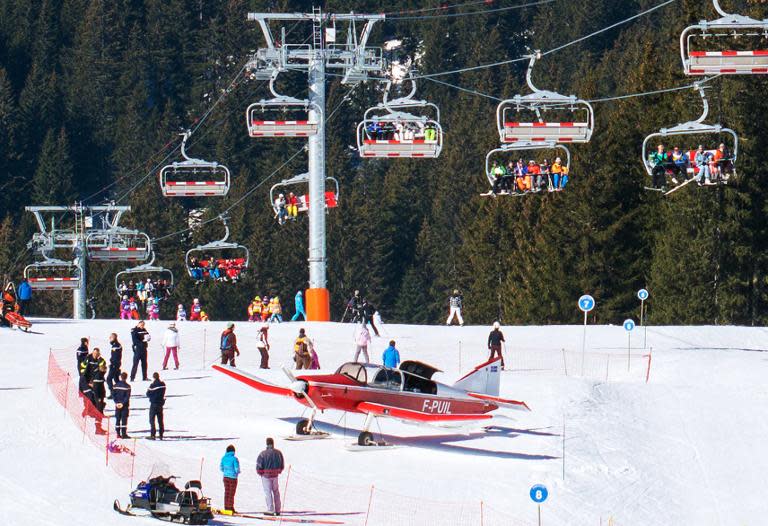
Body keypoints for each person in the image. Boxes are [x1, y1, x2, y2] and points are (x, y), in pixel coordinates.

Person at [256, 438, 285, 517]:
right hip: (275, 475)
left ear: (266, 444)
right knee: (276, 491)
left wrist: (260, 472)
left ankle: (270, 509)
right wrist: (279, 471)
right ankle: (278, 510)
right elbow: (282, 464)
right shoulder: (278, 453)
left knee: (268, 492)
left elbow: (259, 465)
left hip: (266, 475)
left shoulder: (263, 454)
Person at [220, 445, 241, 513]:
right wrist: (237, 473)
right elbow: (237, 469)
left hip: (225, 477)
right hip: (233, 478)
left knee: (227, 492)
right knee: (231, 493)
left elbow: (221, 468)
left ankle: (226, 507)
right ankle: (230, 507)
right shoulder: (234, 459)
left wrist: (226, 472)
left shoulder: (223, 458)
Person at [146, 372, 166, 440]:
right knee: (160, 420)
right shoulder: (163, 384)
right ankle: (161, 434)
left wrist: (152, 396)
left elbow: (148, 394)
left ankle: (153, 434)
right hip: (160, 404)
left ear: (154, 377)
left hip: (154, 404)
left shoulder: (152, 385)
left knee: (152, 420)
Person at [113, 372, 131, 439]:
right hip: (124, 405)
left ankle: (117, 433)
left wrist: (117, 402)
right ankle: (124, 434)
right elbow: (127, 396)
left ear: (121, 377)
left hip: (117, 405)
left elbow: (113, 395)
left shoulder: (115, 386)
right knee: (124, 419)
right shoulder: (128, 386)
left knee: (117, 419)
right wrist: (122, 403)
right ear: (126, 377)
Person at [106, 333, 122, 399]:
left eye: (111, 337)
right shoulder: (116, 345)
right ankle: (120, 391)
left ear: (114, 338)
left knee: (109, 379)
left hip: (115, 364)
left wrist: (113, 364)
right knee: (116, 379)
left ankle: (113, 393)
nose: (109, 338)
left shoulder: (116, 345)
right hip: (116, 364)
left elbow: (115, 356)